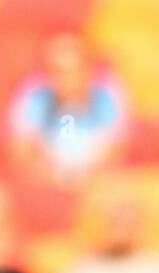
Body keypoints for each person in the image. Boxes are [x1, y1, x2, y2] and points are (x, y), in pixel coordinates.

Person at [8, 29, 126, 184]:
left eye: (76, 70)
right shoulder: (33, 94)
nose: (68, 81)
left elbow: (115, 153)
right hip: (45, 185)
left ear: (89, 69)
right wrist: (54, 177)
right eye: (58, 72)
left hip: (96, 185)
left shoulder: (108, 93)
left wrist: (84, 179)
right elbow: (21, 154)